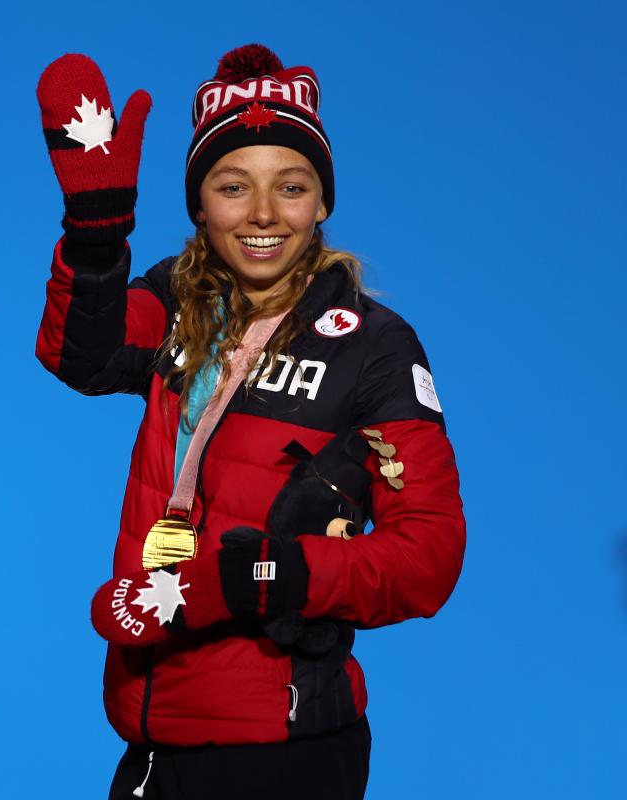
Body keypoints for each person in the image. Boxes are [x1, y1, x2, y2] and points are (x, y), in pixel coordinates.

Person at [35, 45, 465, 799]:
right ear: (200, 204)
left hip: (285, 749)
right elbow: (81, 355)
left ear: (322, 202)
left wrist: (269, 577)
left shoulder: (374, 346)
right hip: (151, 735)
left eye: (291, 187)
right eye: (234, 187)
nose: (264, 214)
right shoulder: (174, 302)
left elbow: (429, 556)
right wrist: (95, 237)